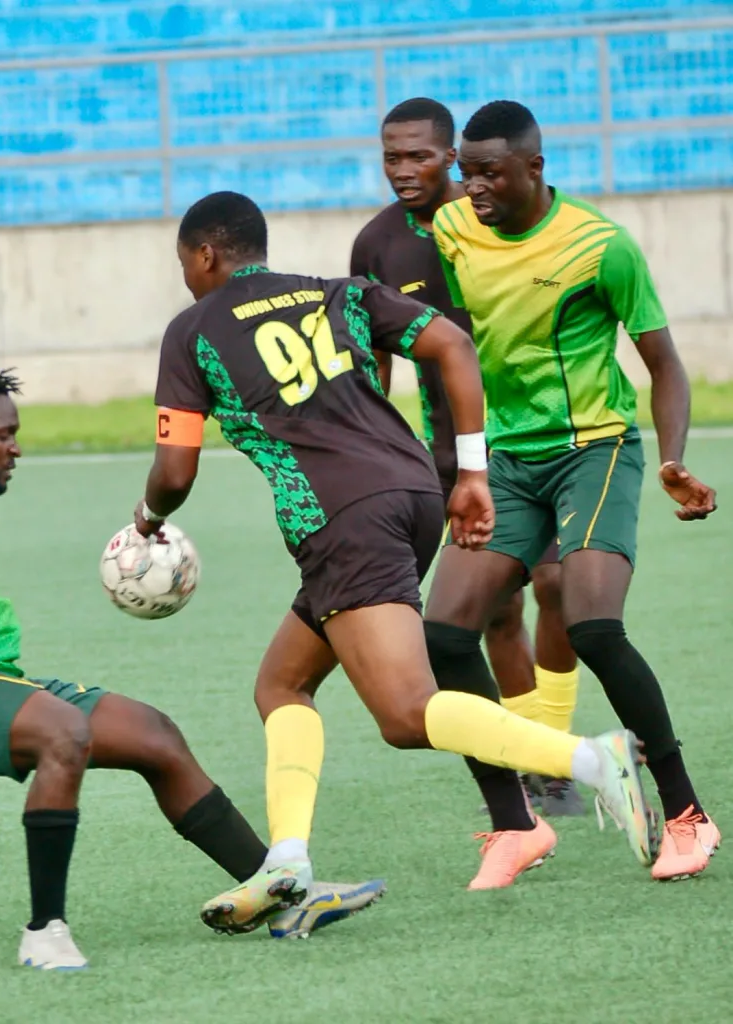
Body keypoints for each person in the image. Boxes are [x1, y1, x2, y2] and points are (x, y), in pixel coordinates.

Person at [131, 189, 653, 930]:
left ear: (204, 254)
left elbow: (174, 473)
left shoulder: (193, 329)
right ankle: (287, 860)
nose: (186, 276)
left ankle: (595, 762)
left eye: (185, 262)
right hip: (411, 495)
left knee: (405, 714)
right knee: (281, 686)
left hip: (342, 520)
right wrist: (471, 473)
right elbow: (451, 344)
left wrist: (147, 519)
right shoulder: (331, 294)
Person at [0, 357, 381, 972]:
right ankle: (44, 933)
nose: (16, 449)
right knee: (65, 732)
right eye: (3, 435)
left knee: (154, 735)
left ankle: (279, 893)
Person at [425, 99, 720, 883]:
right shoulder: (453, 229)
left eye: (489, 171)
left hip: (594, 449)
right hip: (508, 463)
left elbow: (664, 366)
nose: (474, 186)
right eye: (466, 170)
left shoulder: (600, 246)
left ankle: (686, 815)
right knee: (445, 633)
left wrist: (670, 460)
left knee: (591, 624)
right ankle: (513, 824)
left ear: (534, 167)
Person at [351, 96, 583, 817]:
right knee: (496, 614)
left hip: (530, 441)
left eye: (419, 155)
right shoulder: (375, 245)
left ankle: (553, 745)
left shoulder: (487, 219)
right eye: (391, 157)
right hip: (447, 461)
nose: (403, 170)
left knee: (557, 591)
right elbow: (371, 369)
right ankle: (531, 764)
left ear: (452, 157)